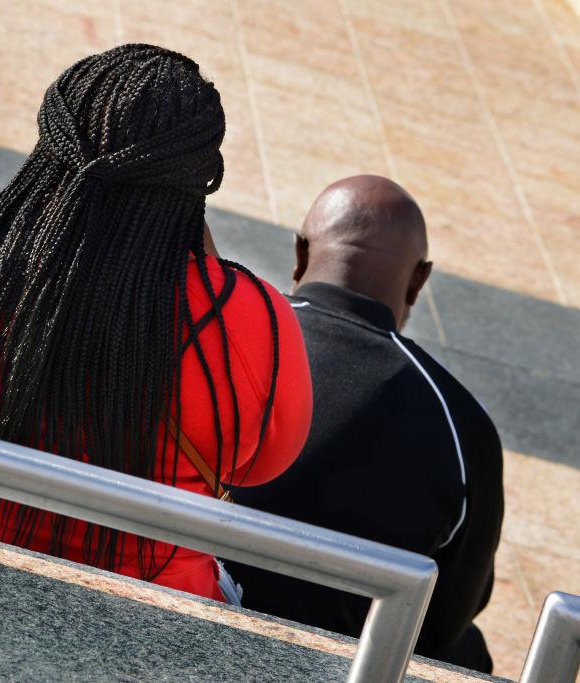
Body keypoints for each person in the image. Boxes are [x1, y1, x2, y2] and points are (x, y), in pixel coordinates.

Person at [0, 44, 312, 603]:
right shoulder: (252, 318)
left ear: (48, 139)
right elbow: (262, 468)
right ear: (202, 176)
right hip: (145, 606)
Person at [225, 175, 504, 672]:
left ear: (300, 253)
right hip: (333, 669)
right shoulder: (461, 425)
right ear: (418, 281)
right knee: (471, 654)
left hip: (168, 611)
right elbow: (444, 623)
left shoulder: (221, 335)